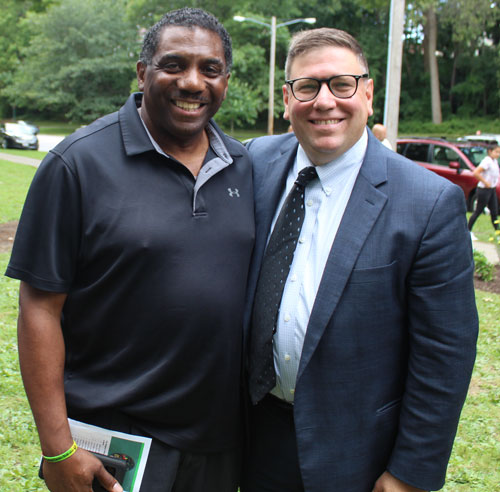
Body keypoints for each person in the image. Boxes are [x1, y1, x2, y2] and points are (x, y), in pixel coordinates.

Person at [6, 8, 254, 492]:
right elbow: (38, 309)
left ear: (226, 79)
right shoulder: (75, 165)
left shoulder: (243, 166)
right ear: (143, 73)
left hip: (219, 446)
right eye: (174, 65)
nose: (192, 82)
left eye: (210, 69)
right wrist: (57, 447)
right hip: (114, 446)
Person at [242, 28, 478, 492]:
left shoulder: (428, 203)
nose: (324, 101)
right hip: (255, 437)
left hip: (359, 453)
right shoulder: (255, 162)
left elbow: (445, 356)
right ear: (287, 100)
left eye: (342, 84)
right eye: (307, 87)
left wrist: (410, 473)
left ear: (368, 94)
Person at [468, 143, 500, 238]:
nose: (498, 154)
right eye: (496, 152)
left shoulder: (494, 161)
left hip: (491, 190)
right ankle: (468, 231)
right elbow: (476, 172)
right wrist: (485, 182)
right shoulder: (487, 161)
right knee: (478, 211)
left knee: (494, 212)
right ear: (490, 151)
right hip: (484, 190)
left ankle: (498, 232)